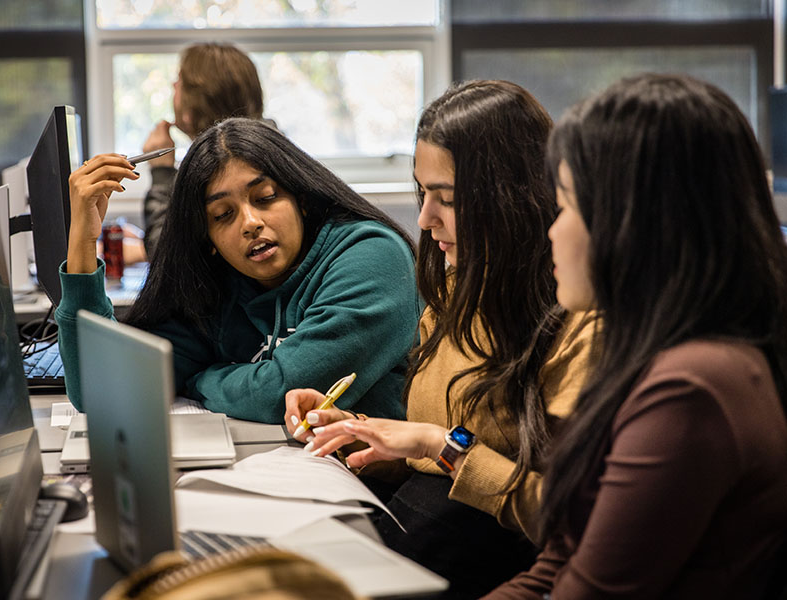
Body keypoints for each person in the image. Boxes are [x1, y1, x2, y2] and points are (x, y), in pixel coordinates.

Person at [287, 81, 597, 598]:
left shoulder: (576, 323)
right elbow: (428, 456)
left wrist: (443, 447)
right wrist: (365, 438)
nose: (426, 219)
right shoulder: (456, 288)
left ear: (510, 198)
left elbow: (568, 517)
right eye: (422, 192)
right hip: (423, 537)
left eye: (446, 199)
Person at [485, 73, 787, 598]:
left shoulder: (693, 386)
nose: (552, 230)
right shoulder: (646, 353)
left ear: (634, 223)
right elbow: (556, 565)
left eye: (568, 206)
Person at [56, 118, 420, 424]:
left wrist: (202, 378)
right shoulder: (221, 285)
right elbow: (100, 390)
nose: (250, 223)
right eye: (222, 215)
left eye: (264, 198)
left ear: (302, 200)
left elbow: (285, 394)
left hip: (384, 489)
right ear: (208, 238)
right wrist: (82, 244)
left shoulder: (372, 256)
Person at [142, 42, 265, 258]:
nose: (173, 86)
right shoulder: (267, 147)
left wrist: (162, 173)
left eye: (179, 82)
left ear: (193, 103)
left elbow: (167, 259)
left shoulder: (224, 165)